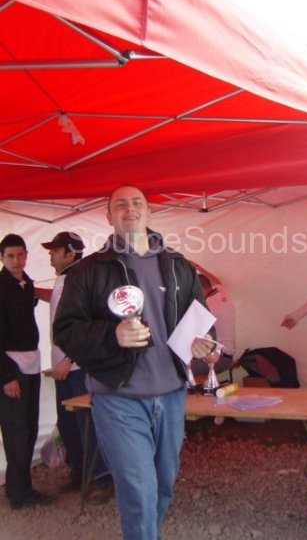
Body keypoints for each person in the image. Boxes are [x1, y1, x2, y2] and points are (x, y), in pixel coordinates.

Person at [53, 185, 215, 540]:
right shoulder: (88, 271)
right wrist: (112, 334)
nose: (130, 208)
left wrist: (204, 342)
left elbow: (200, 316)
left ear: (149, 211)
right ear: (108, 215)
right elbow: (64, 331)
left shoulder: (177, 265)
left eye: (137, 202)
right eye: (120, 204)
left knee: (163, 486)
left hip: (171, 395)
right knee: (139, 492)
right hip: (118, 398)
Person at [36, 231, 113, 504]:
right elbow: (57, 299)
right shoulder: (65, 278)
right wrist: (31, 290)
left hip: (77, 367)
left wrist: (69, 360)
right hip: (63, 366)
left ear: (70, 254)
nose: (50, 255)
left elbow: (86, 324)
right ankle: (80, 473)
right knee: (68, 423)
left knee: (86, 424)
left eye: (55, 250)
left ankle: (102, 479)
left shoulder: (81, 279)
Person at [0, 233, 54, 509]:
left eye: (20, 255)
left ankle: (18, 488)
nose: (16, 260)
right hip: (12, 367)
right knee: (16, 431)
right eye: (11, 256)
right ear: (2, 258)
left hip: (31, 363)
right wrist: (6, 376)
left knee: (29, 428)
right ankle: (20, 495)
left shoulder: (26, 283)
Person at [189, 264, 236, 377]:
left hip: (219, 359)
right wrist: (198, 267)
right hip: (227, 355)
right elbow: (217, 281)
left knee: (177, 369)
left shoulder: (208, 306)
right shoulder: (222, 293)